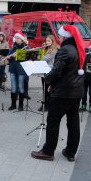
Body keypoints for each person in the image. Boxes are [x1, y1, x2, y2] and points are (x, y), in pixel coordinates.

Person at [31, 25, 85, 162]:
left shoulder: (65, 50)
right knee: (73, 123)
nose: (59, 38)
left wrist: (47, 81)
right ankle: (70, 152)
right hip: (76, 92)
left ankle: (48, 151)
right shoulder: (79, 49)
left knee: (53, 121)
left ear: (65, 36)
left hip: (62, 93)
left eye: (60, 35)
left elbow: (56, 71)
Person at [7, 31, 29, 111]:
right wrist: (9, 56)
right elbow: (8, 56)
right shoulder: (13, 47)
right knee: (13, 87)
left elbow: (29, 57)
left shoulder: (26, 47)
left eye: (18, 38)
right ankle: (13, 105)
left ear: (22, 39)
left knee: (20, 87)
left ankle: (21, 105)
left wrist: (20, 53)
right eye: (16, 38)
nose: (16, 39)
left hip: (21, 69)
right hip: (13, 68)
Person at [38, 35, 58, 112]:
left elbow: (44, 58)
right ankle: (44, 104)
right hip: (44, 70)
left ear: (52, 42)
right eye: (46, 41)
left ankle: (49, 105)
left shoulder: (54, 50)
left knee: (48, 89)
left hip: (50, 71)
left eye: (49, 41)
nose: (47, 42)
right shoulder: (46, 49)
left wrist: (40, 53)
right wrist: (42, 49)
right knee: (44, 88)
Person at [80, 46, 91, 112]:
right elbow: (82, 65)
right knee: (83, 92)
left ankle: (90, 105)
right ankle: (83, 104)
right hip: (85, 77)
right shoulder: (86, 56)